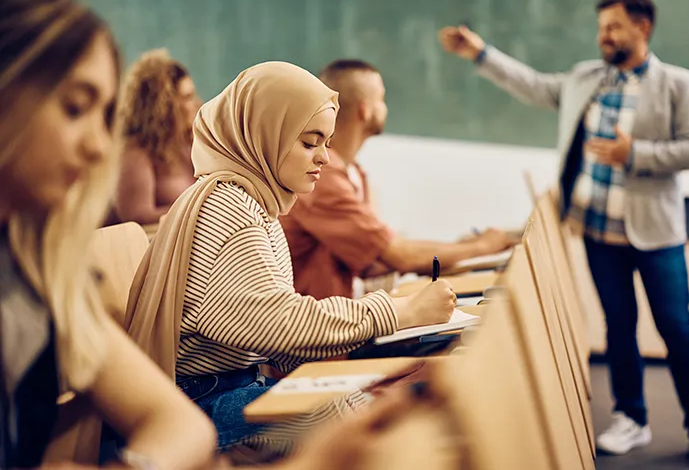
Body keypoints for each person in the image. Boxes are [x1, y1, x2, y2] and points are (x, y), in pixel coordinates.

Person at [439, 0, 689, 469]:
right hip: (599, 233)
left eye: (613, 26)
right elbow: (535, 85)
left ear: (642, 28)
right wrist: (481, 53)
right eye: (601, 26)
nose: (603, 35)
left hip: (656, 235)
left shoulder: (679, 84)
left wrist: (635, 155)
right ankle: (631, 417)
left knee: (677, 329)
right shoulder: (587, 78)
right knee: (617, 327)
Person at [124, 61, 457, 460]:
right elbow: (277, 325)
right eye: (308, 143)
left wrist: (372, 363)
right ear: (265, 133)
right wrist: (399, 313)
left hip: (229, 390)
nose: (324, 159)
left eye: (326, 144)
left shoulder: (254, 205)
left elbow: (282, 340)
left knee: (366, 407)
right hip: (201, 406)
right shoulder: (232, 209)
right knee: (341, 427)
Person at [0, 0, 217, 468]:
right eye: (75, 108)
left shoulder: (37, 272)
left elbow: (179, 423)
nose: (99, 147)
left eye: (103, 116)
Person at [279, 59, 514, 300]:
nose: (385, 107)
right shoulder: (323, 179)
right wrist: (483, 247)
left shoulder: (355, 173)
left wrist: (457, 248)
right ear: (365, 109)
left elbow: (377, 257)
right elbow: (400, 255)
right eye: (381, 98)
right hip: (320, 324)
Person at [113, 49, 201, 226]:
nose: (196, 104)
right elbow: (136, 217)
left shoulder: (188, 145)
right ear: (163, 106)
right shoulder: (135, 154)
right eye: (187, 97)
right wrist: (199, 210)